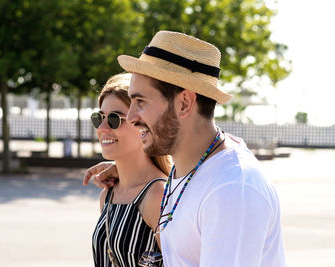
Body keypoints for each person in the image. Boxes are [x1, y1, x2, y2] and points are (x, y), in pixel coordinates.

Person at [83, 31, 287, 266]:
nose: (131, 116)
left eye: (140, 102)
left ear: (184, 103)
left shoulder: (231, 189)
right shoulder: (197, 166)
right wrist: (124, 170)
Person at [87, 73, 172, 267]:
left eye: (114, 118)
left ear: (141, 122)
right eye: (98, 117)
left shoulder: (158, 195)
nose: (102, 127)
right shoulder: (108, 195)